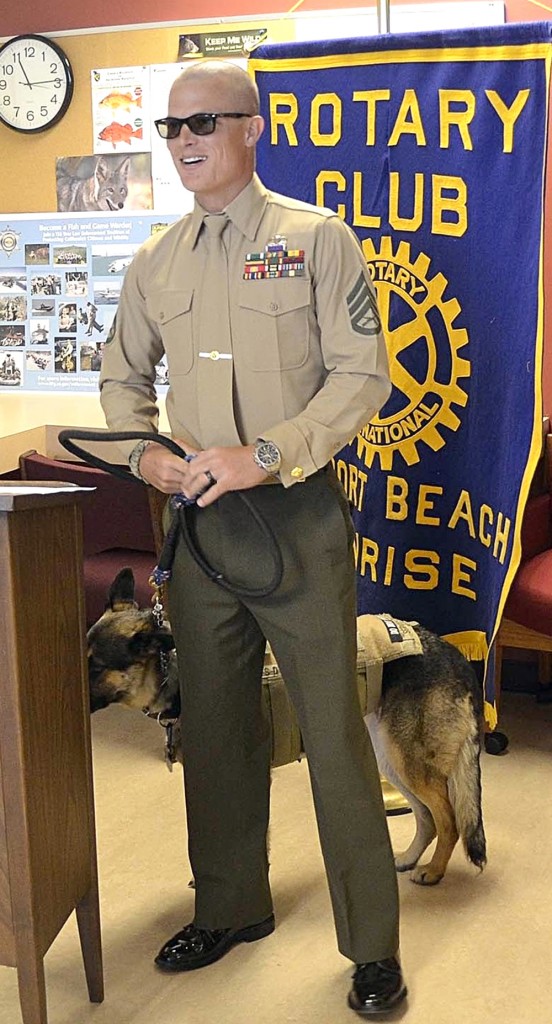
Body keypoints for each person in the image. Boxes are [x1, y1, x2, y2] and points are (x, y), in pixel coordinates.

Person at [99, 60, 406, 1016]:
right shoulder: (156, 260)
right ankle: (232, 906)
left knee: (330, 738)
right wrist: (145, 458)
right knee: (218, 733)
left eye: (203, 124)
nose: (185, 142)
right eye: (170, 129)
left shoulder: (317, 241)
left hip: (298, 522)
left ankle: (373, 948)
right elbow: (121, 384)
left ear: (252, 127)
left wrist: (269, 452)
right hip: (199, 533)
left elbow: (365, 376)